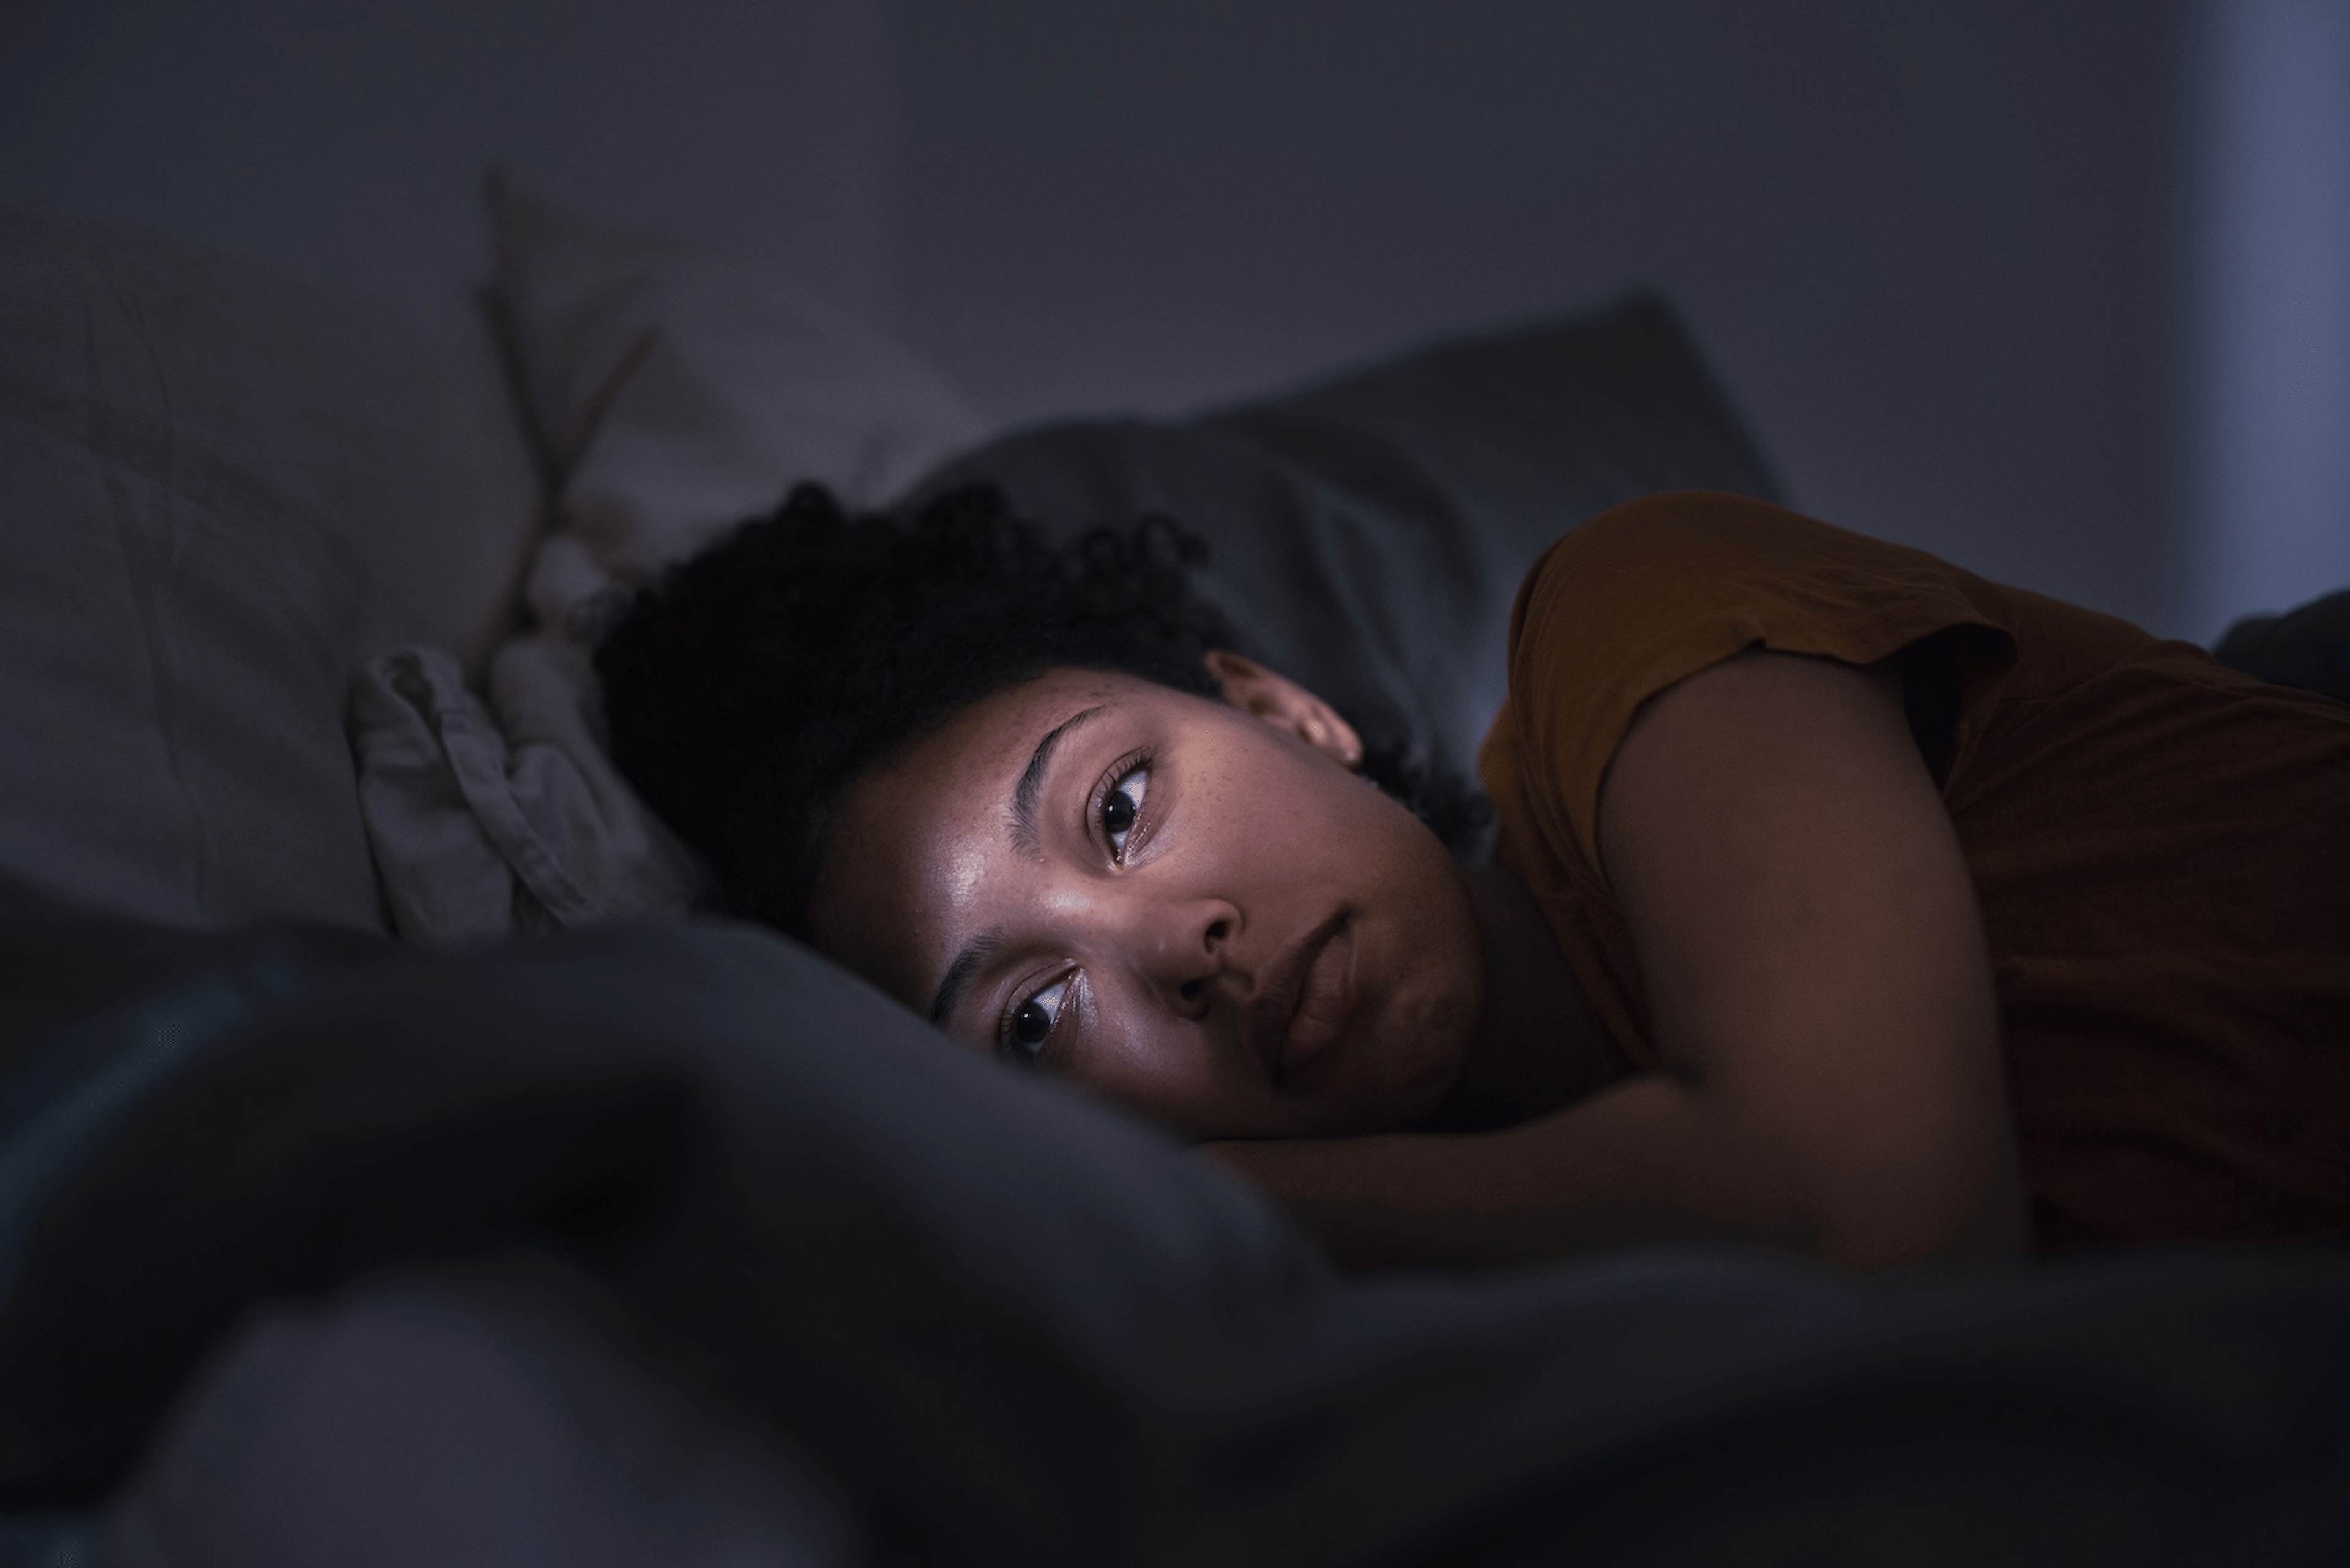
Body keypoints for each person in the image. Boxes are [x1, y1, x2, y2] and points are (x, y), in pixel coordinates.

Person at [593, 480, 2350, 1271]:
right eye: (1038, 1021)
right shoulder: (1490, 1294)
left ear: (1284, 710)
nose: (1179, 950)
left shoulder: (1633, 619)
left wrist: (1239, 1206)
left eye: (1121, 810)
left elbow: (1877, 1224)